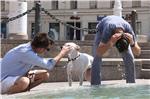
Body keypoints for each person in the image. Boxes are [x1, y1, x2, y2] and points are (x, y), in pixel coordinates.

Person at [0, 33, 70, 94]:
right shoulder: (26, 52)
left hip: (15, 76)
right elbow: (49, 65)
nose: (46, 51)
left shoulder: (30, 49)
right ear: (40, 48)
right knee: (24, 82)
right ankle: (8, 92)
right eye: (47, 49)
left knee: (45, 75)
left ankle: (23, 89)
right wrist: (63, 53)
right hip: (3, 80)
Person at [91, 15, 141, 85]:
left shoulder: (128, 31)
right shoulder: (107, 30)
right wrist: (110, 42)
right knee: (96, 58)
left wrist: (132, 43)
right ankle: (95, 85)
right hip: (102, 28)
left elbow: (138, 53)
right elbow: (99, 52)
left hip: (119, 24)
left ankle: (131, 83)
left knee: (130, 57)